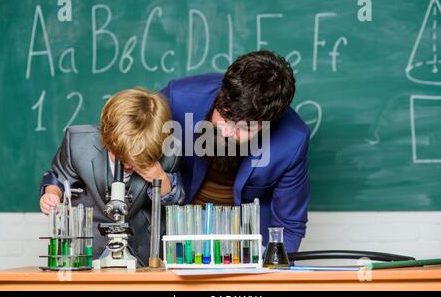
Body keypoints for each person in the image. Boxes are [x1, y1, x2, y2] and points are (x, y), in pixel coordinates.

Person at [161, 50, 310, 253]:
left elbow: (290, 227)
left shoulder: (293, 140)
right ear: (221, 94)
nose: (227, 131)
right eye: (225, 115)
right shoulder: (177, 99)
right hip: (171, 232)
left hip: (242, 246)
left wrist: (270, 276)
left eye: (246, 128)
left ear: (268, 124)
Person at [39, 88, 184, 266]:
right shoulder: (78, 143)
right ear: (107, 138)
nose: (129, 166)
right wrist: (51, 193)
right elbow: (58, 177)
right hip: (87, 248)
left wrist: (160, 178)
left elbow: (177, 201)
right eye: (122, 158)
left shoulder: (170, 153)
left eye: (137, 160)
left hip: (142, 250)